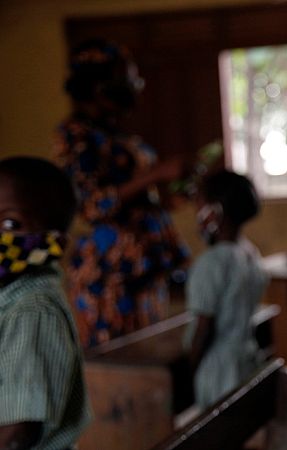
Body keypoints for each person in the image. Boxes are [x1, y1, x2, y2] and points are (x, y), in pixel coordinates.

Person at [55, 39, 189, 347]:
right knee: (121, 360)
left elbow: (140, 200)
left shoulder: (119, 136)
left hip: (145, 267)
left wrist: (172, 192)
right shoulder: (75, 136)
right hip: (109, 275)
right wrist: (156, 173)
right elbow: (90, 205)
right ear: (99, 87)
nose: (135, 87)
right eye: (128, 80)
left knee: (149, 353)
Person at [0, 157, 92, 449]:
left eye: (10, 224)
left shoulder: (32, 311)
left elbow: (17, 432)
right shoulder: (9, 300)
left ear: (53, 242)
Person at [184, 170, 269, 408]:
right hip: (246, 359)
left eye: (200, 207)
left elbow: (204, 329)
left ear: (215, 212)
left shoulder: (211, 262)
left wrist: (189, 369)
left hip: (219, 371)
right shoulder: (250, 254)